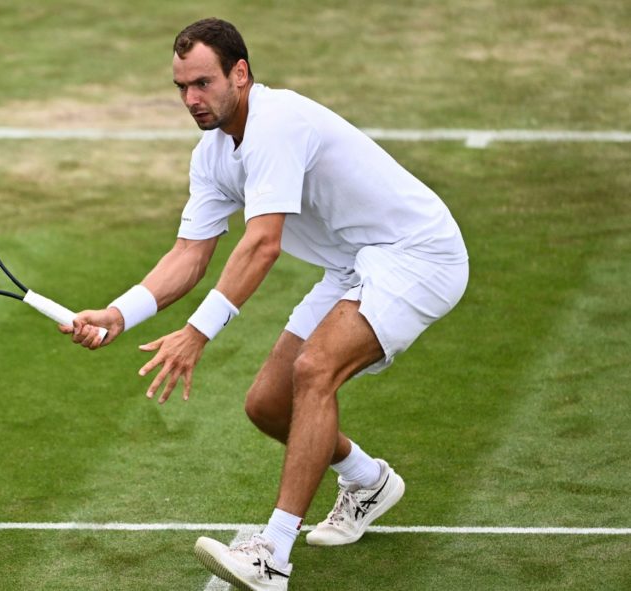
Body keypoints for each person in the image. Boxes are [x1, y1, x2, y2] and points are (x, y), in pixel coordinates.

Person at [62, 17, 468, 590]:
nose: (192, 99)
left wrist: (197, 333)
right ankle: (367, 479)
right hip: (353, 262)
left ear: (241, 73)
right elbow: (189, 253)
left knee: (314, 369)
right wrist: (119, 312)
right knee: (269, 404)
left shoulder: (276, 123)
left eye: (203, 83)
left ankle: (272, 554)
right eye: (181, 87)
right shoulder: (211, 155)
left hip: (417, 254)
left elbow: (262, 244)